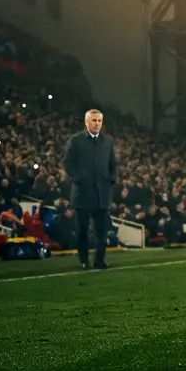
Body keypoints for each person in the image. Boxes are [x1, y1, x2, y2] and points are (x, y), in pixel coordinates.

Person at [63, 109, 117, 271]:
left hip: (102, 194)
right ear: (86, 122)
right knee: (82, 231)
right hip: (83, 194)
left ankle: (99, 261)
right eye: (94, 120)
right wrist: (78, 178)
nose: (97, 124)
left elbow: (112, 164)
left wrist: (111, 179)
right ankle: (83, 260)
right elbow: (68, 163)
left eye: (99, 121)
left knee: (102, 231)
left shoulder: (107, 141)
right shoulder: (76, 140)